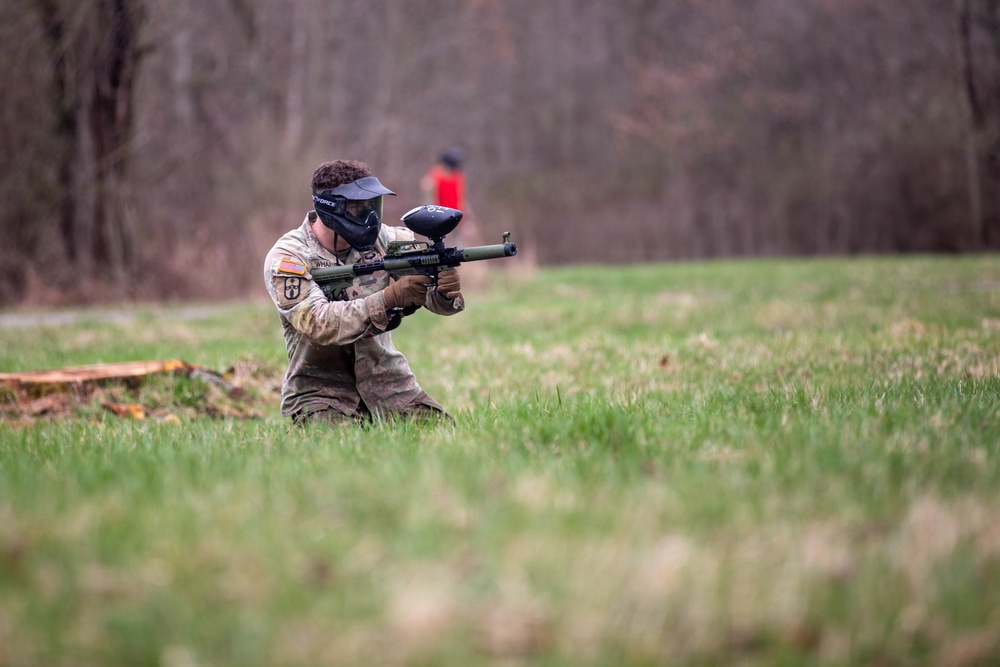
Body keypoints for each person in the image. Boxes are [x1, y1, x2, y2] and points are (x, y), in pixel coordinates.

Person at [263, 160, 464, 425]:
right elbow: (317, 322)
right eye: (357, 209)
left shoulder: (388, 240)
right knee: (336, 452)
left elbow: (432, 299)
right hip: (321, 393)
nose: (369, 218)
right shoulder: (289, 256)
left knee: (444, 434)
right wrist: (389, 299)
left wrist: (444, 293)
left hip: (391, 386)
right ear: (330, 209)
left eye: (372, 206)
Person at [421, 147, 479, 246]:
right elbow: (427, 200)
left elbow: (463, 200)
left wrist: (468, 221)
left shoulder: (459, 177)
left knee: (456, 252)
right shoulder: (434, 176)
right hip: (439, 221)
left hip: (457, 220)